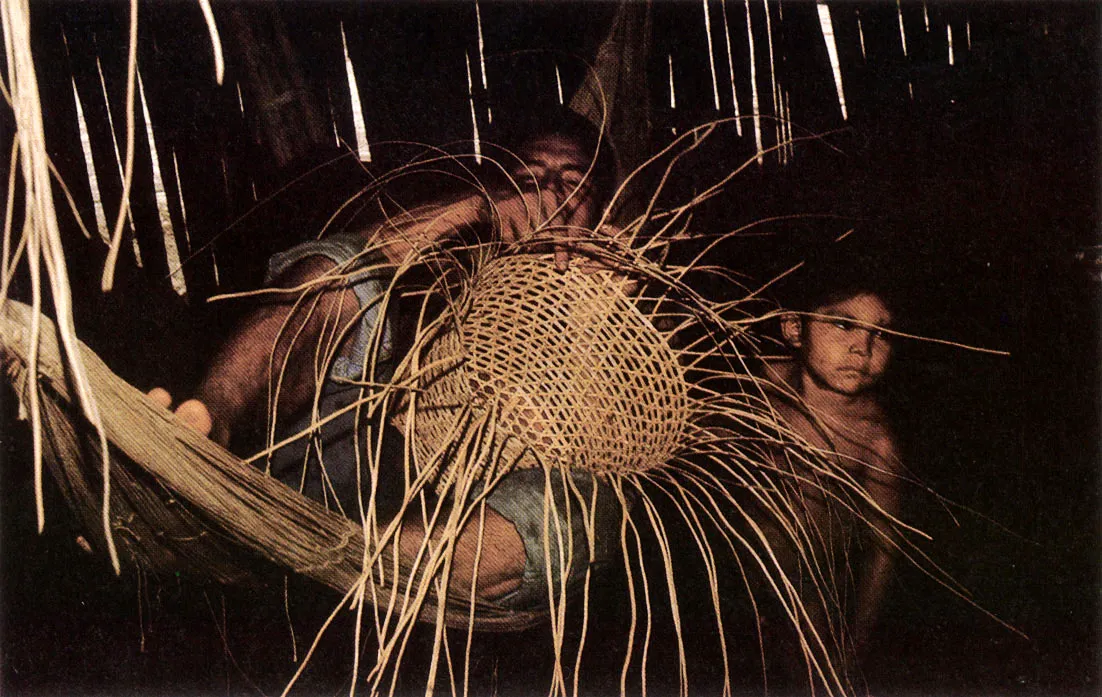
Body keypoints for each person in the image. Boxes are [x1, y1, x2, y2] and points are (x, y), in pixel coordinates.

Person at [148, 117, 625, 611]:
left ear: (603, 208)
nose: (548, 193)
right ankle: (201, 428)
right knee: (344, 269)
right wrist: (474, 210)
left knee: (587, 509)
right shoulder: (450, 257)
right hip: (366, 468)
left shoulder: (627, 288)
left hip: (468, 531)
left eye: (573, 184)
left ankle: (329, 563)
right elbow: (362, 253)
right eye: (528, 179)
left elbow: (631, 439)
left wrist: (604, 310)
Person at [754, 265, 906, 684]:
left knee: (812, 679)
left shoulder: (873, 441)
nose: (864, 348)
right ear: (794, 328)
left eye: (883, 333)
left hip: (815, 593)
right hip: (743, 584)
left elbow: (884, 549)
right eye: (843, 324)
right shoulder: (759, 384)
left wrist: (854, 645)